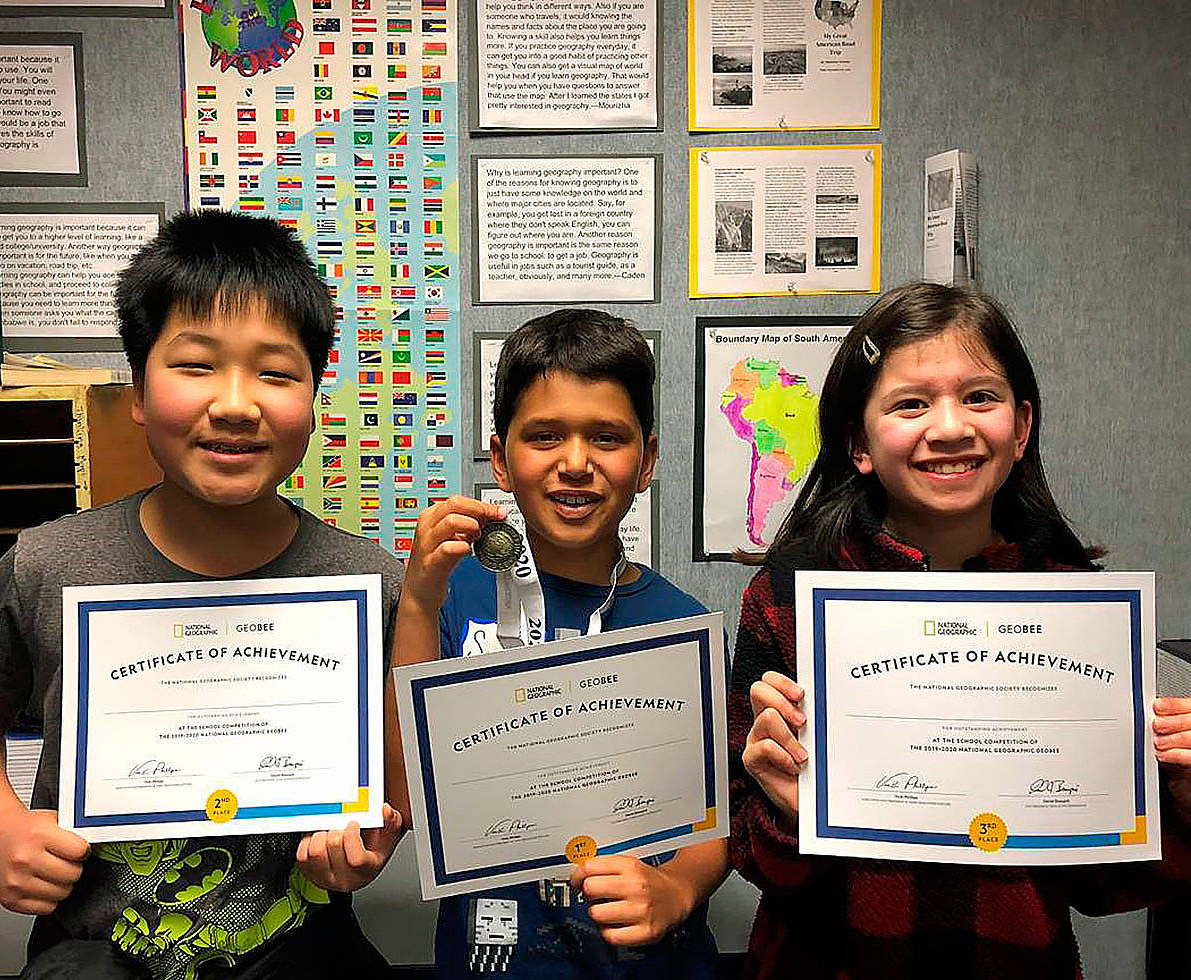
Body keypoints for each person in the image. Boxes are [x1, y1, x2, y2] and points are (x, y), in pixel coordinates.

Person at [0, 210, 404, 980]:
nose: (237, 403)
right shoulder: (51, 564)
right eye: (196, 365)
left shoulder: (370, 580)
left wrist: (377, 838)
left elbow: (399, 768)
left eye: (276, 373)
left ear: (315, 396)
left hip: (300, 948)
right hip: (96, 954)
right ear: (138, 390)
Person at [728, 281, 1191, 979]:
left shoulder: (1077, 608)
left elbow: (1104, 887)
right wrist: (787, 814)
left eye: (980, 397)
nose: (949, 427)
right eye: (910, 403)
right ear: (858, 442)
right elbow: (749, 857)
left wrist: (1183, 806)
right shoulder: (787, 597)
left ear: (1022, 425)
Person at [387, 308, 728, 977]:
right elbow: (404, 796)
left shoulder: (682, 625)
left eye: (607, 437)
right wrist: (421, 602)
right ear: (501, 460)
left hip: (649, 962)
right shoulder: (452, 603)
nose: (576, 463)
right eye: (544, 436)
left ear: (648, 459)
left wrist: (678, 888)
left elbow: (713, 821)